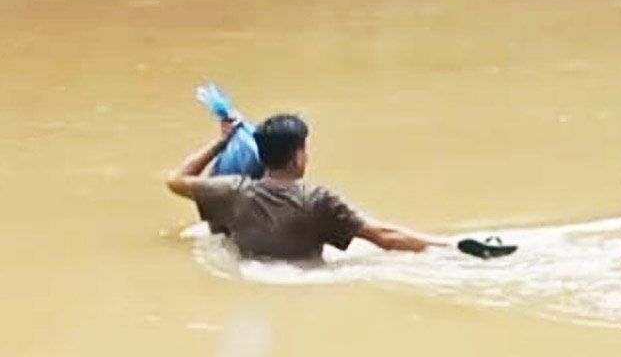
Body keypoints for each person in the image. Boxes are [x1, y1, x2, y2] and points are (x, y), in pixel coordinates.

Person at [166, 114, 514, 262]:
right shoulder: (317, 200)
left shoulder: (231, 192)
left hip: (253, 275)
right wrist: (449, 246)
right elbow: (383, 236)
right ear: (299, 157)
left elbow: (176, 179)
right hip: (304, 283)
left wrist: (220, 143)